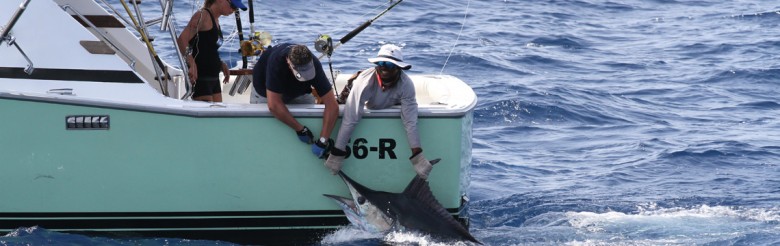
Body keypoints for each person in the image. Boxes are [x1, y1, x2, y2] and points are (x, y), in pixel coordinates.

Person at [324, 44, 434, 179]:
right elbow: (350, 119)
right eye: (380, 63)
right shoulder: (364, 83)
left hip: (390, 100)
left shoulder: (406, 84)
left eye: (389, 64)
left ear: (399, 67)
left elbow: (410, 121)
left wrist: (417, 155)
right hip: (355, 90)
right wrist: (337, 153)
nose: (384, 67)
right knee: (340, 104)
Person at [252, 43, 339, 158]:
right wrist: (299, 129)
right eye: (301, 73)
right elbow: (274, 105)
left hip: (299, 92)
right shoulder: (277, 62)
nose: (306, 75)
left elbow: (332, 106)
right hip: (266, 94)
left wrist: (323, 140)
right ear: (289, 62)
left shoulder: (314, 63)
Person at [176, 0, 247, 102]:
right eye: (232, 5)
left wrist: (220, 63)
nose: (233, 10)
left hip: (214, 78)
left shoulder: (216, 20)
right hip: (201, 78)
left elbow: (208, 48)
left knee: (218, 114)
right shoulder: (202, 16)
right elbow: (182, 40)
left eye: (236, 8)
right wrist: (191, 62)